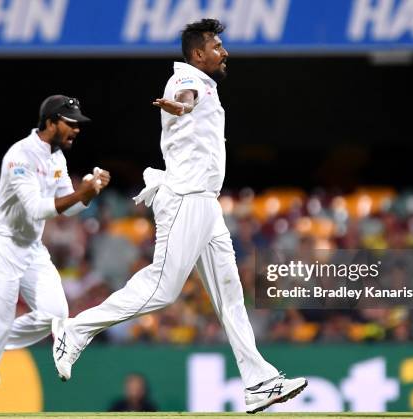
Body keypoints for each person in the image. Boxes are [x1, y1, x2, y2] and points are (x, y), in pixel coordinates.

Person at [51, 20, 307, 414]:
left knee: (230, 295)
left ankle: (259, 383)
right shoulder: (185, 81)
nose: (224, 52)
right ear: (198, 54)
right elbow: (184, 99)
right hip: (186, 198)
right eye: (217, 46)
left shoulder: (204, 84)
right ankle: (75, 329)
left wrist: (184, 106)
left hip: (205, 203)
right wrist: (180, 106)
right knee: (163, 290)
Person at [0, 95, 111, 412]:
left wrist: (90, 193)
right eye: (70, 122)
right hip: (1, 244)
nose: (76, 129)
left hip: (31, 247)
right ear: (50, 122)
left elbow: (70, 209)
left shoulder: (57, 158)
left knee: (56, 315)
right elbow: (37, 210)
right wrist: (84, 191)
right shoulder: (19, 157)